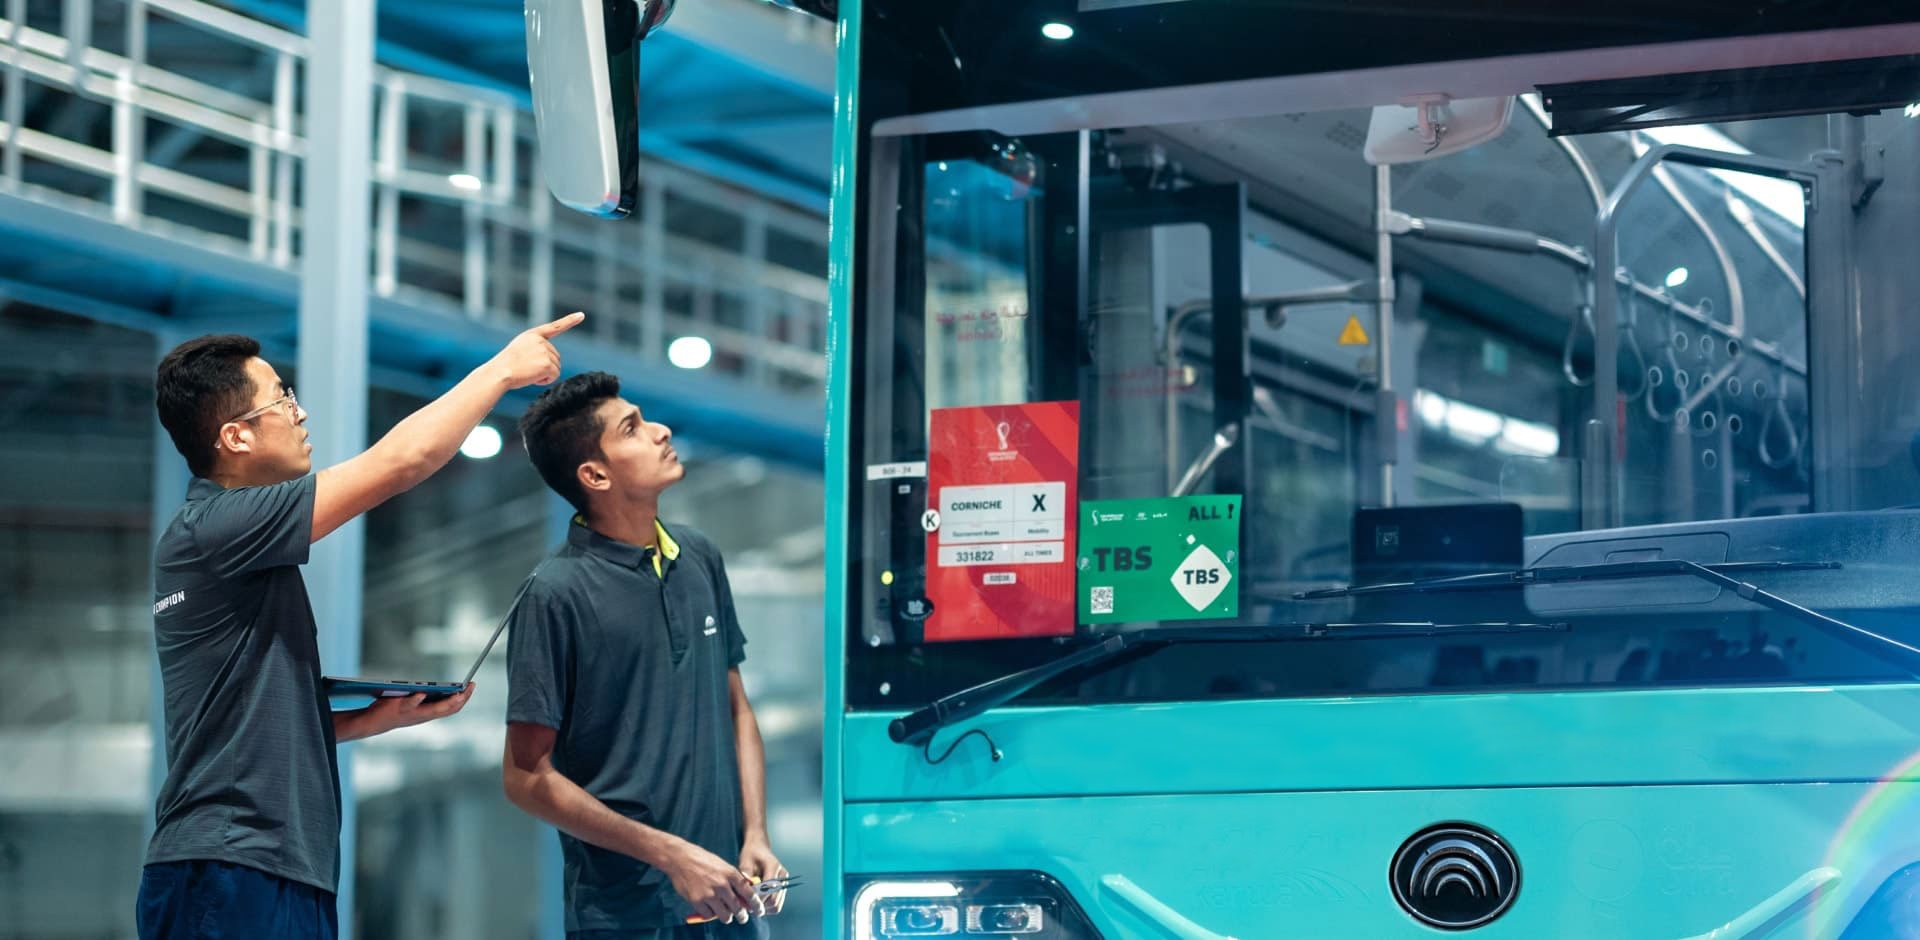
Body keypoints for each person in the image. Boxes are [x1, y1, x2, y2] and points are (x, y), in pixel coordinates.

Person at [140, 312, 586, 939]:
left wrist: (375, 718)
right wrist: (502, 370)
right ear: (236, 437)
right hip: (229, 866)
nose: (300, 413)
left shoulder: (223, 540)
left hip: (270, 867)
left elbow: (237, 727)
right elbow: (403, 461)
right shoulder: (218, 527)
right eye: (282, 400)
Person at [503, 371, 783, 939]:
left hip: (732, 902)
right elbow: (525, 776)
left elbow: (736, 709)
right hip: (624, 919)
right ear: (595, 475)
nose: (661, 431)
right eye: (632, 428)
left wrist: (755, 832)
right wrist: (670, 855)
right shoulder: (553, 594)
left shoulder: (700, 557)